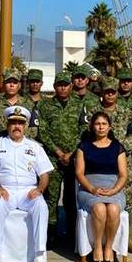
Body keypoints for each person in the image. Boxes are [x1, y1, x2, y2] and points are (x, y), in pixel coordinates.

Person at [0, 106, 53, 262]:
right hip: (6, 190)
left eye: (20, 123)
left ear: (25, 126)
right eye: (13, 122)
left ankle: (39, 256)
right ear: (8, 125)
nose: (17, 126)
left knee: (42, 207)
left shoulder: (35, 147)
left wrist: (40, 189)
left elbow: (44, 174)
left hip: (29, 191)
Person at [36, 70, 88, 243]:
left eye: (66, 85)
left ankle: (73, 233)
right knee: (51, 196)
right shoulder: (45, 106)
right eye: (60, 85)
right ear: (54, 86)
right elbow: (42, 131)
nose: (63, 88)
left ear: (71, 86)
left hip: (74, 158)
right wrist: (58, 152)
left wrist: (71, 152)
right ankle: (50, 232)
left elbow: (83, 130)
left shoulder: (80, 105)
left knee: (71, 197)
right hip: (52, 158)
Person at [74, 111, 127, 262]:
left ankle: (109, 247)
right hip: (89, 187)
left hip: (113, 187)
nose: (101, 127)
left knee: (112, 209)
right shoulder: (84, 146)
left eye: (104, 124)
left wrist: (114, 190)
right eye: (97, 124)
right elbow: (79, 173)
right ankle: (97, 247)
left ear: (110, 127)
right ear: (92, 126)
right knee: (99, 208)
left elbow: (123, 175)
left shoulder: (118, 147)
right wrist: (91, 188)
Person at [96, 76, 132, 253]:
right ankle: (101, 237)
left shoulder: (128, 112)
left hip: (123, 161)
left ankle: (128, 236)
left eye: (113, 92)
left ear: (116, 93)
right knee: (100, 197)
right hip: (98, 162)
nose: (110, 95)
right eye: (107, 92)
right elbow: (87, 135)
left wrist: (118, 151)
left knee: (127, 198)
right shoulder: (93, 111)